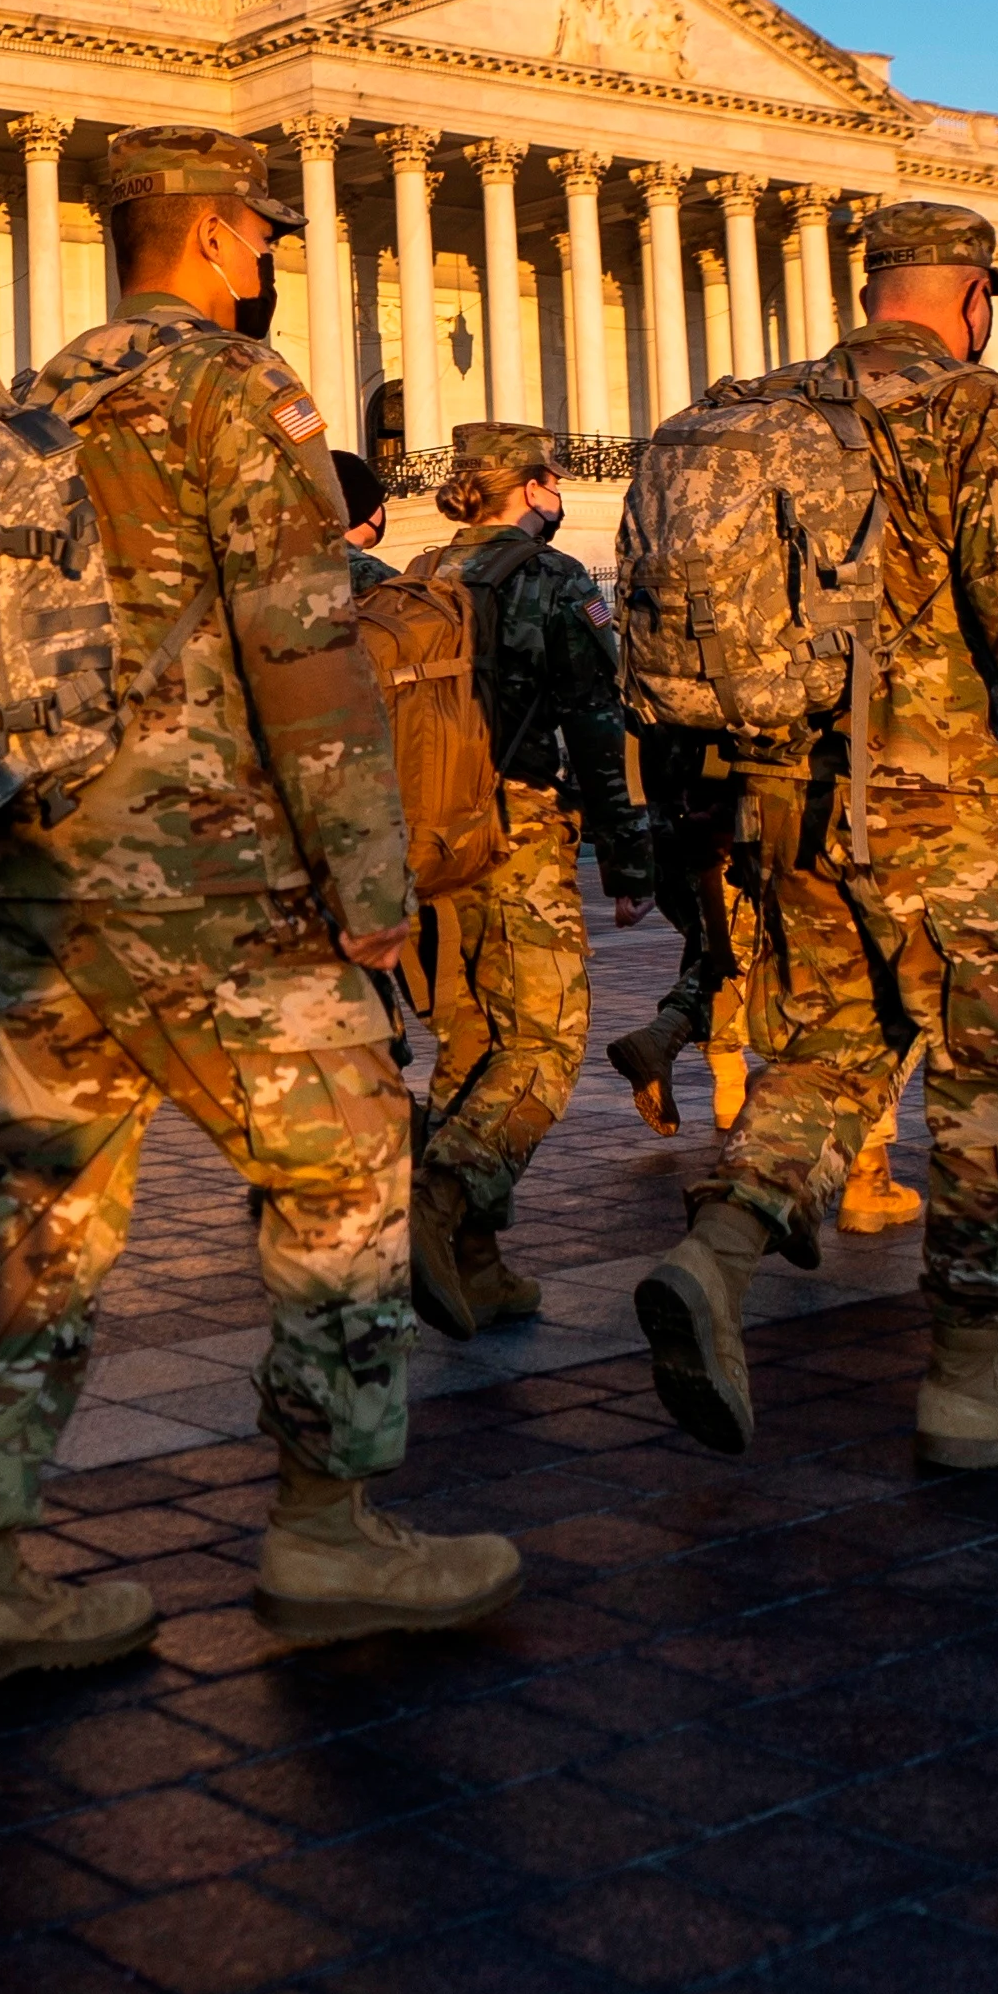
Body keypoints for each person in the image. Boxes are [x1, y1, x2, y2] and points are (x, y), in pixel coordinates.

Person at [0, 127, 509, 1692]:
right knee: (349, 1156)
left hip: (46, 868)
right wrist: (369, 874)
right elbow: (302, 637)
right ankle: (325, 1521)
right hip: (208, 868)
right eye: (265, 236)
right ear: (230, 239)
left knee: (31, 1205)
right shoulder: (228, 388)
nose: (269, 261)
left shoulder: (30, 396)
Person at [632, 202, 998, 1471]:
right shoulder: (967, 409)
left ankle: (718, 1253)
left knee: (832, 1045)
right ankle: (973, 1379)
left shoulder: (772, 405)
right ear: (968, 295)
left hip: (792, 797)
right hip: (942, 804)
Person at [401, 422, 656, 1331]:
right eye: (551, 484)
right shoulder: (552, 582)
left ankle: (477, 1262)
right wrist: (629, 861)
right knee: (546, 1044)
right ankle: (434, 1202)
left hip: (431, 836)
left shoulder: (419, 572)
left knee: (470, 1046)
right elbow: (597, 729)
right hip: (516, 831)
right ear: (539, 486)